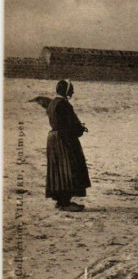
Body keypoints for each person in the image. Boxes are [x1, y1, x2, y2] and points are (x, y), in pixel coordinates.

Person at [46, 80, 90, 212]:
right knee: (70, 168)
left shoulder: (53, 103)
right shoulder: (64, 105)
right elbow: (70, 124)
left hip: (53, 138)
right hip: (64, 139)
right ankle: (65, 202)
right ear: (65, 91)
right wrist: (80, 129)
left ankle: (60, 201)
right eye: (71, 90)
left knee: (58, 170)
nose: (72, 92)